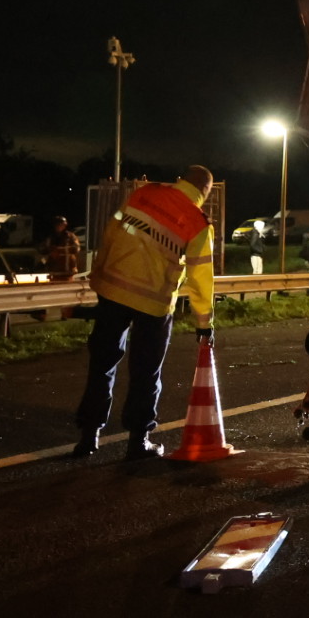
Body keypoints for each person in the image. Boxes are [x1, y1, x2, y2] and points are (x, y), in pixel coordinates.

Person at [74, 165, 216, 460]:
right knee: (146, 372)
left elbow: (112, 230)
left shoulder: (144, 194)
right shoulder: (198, 222)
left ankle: (89, 437)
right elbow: (200, 278)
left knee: (102, 364)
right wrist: (204, 322)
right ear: (205, 193)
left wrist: (99, 275)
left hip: (113, 291)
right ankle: (138, 441)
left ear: (180, 180)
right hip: (154, 303)